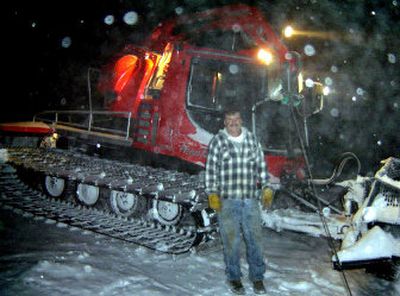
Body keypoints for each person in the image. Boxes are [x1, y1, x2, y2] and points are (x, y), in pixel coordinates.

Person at [205, 109, 274, 295]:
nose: (233, 122)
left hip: (250, 200)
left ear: (241, 120)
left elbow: (261, 165)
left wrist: (267, 187)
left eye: (236, 119)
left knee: (255, 241)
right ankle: (234, 278)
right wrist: (212, 193)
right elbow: (211, 169)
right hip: (227, 201)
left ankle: (257, 278)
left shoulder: (252, 140)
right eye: (229, 120)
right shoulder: (218, 141)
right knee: (231, 242)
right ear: (225, 123)